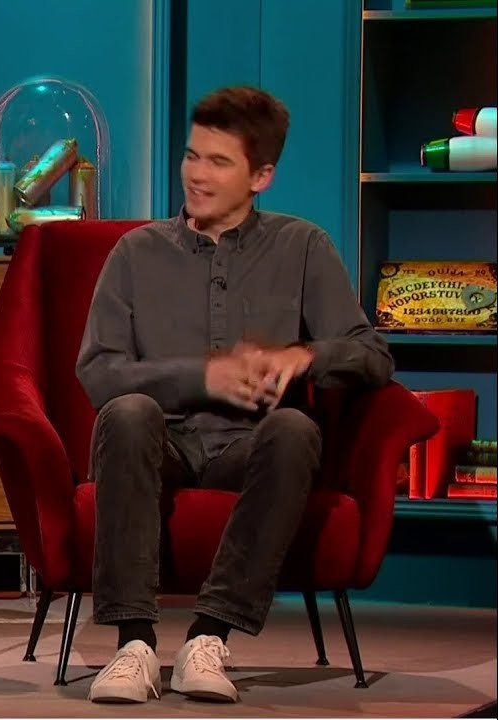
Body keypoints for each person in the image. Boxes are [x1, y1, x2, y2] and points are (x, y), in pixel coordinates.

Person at [74, 86, 393, 704]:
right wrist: (204, 377)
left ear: (261, 176)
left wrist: (306, 356)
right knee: (128, 412)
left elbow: (373, 356)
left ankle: (208, 637)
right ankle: (133, 645)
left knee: (295, 430)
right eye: (192, 156)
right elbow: (99, 373)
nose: (197, 174)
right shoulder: (135, 253)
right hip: (160, 443)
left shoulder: (303, 246)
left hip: (248, 446)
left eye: (219, 162)